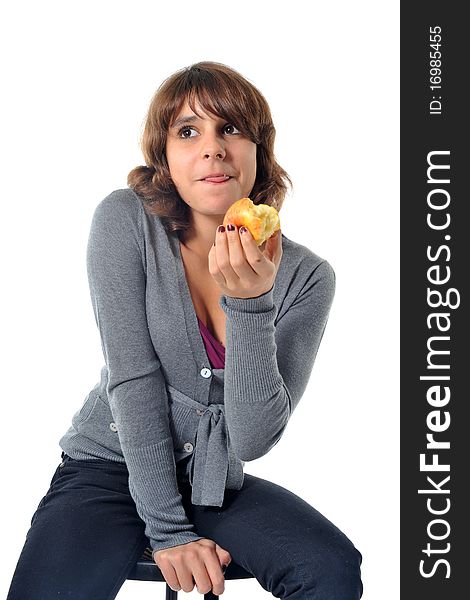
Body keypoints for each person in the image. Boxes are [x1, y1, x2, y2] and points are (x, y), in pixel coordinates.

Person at [7, 61, 363, 599]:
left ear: (259, 151)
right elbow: (133, 380)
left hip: (216, 482)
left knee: (329, 569)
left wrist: (250, 305)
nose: (213, 148)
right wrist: (170, 532)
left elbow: (252, 438)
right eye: (189, 131)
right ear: (165, 157)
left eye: (232, 129)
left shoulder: (308, 277)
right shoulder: (125, 220)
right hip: (108, 467)